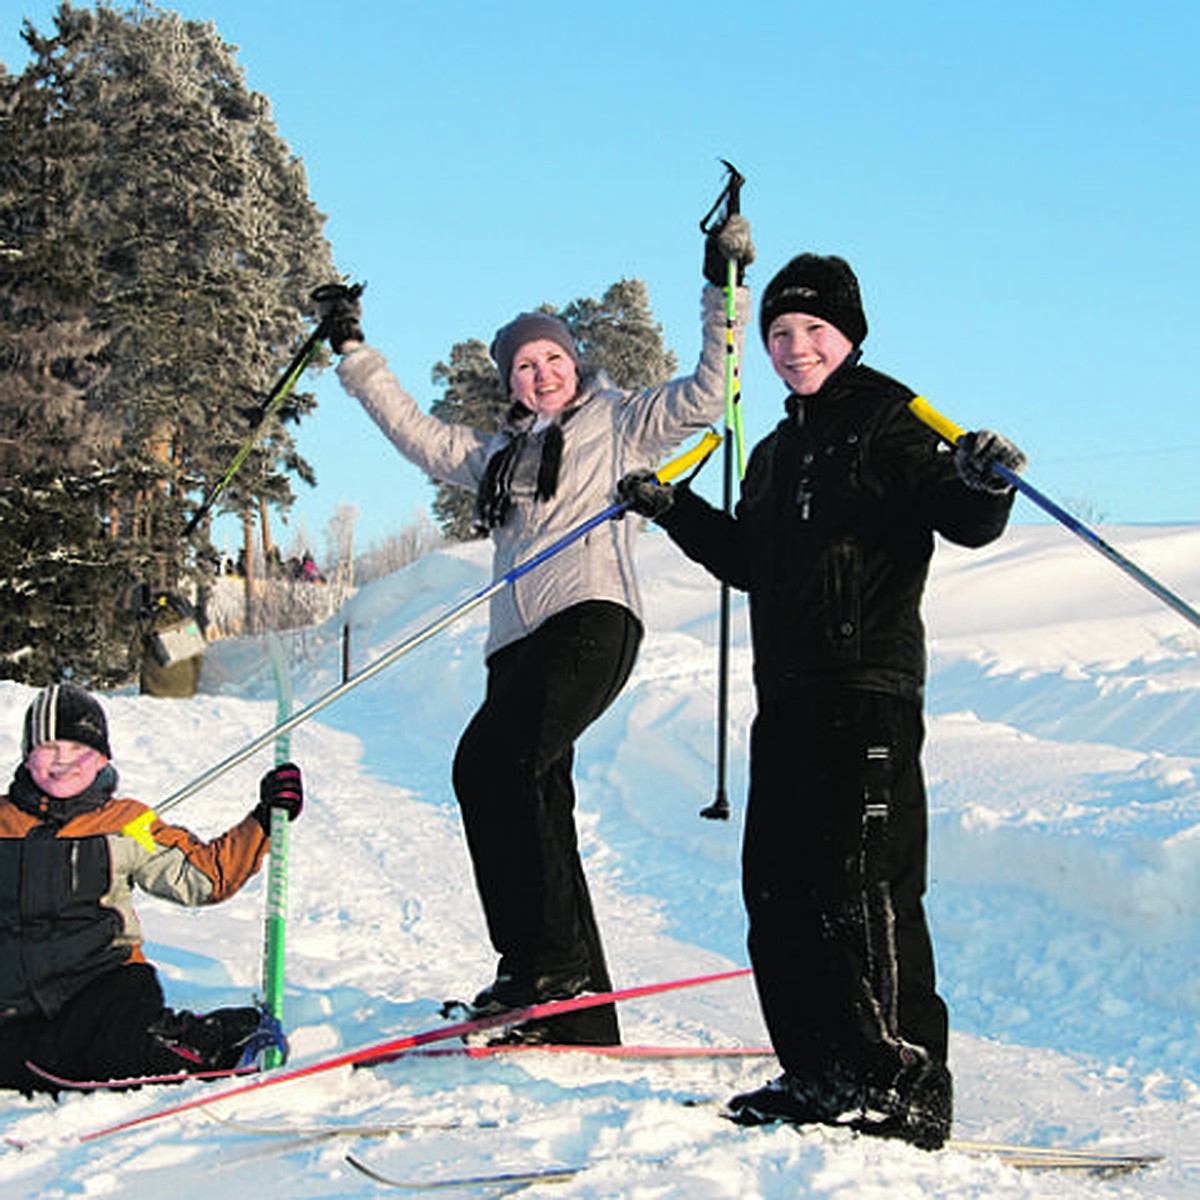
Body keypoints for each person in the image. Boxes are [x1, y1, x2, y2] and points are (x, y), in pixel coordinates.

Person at [314, 217, 754, 1045]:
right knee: (536, 802)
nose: (542, 374)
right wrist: (352, 352)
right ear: (511, 384)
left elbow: (708, 391)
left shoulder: (622, 420)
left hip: (592, 615)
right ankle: (579, 1011)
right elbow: (414, 432)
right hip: (515, 645)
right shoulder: (498, 457)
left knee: (490, 765)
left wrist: (719, 289)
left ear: (573, 364)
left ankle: (540, 967)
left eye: (553, 359)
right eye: (525, 366)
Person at [617, 253, 1025, 1146]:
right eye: (778, 334)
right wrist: (671, 508)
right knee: (782, 892)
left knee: (865, 892)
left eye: (812, 331)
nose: (794, 348)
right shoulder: (773, 451)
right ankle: (822, 1072)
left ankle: (905, 1085)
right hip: (789, 695)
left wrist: (985, 475)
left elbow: (967, 517)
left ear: (848, 334)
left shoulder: (891, 418)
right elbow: (752, 564)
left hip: (868, 690)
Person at [0, 682, 304, 1093]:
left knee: (121, 1045)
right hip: (16, 1004)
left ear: (102, 757)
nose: (63, 761)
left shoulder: (127, 824)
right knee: (35, 1063)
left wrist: (264, 820)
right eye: (49, 748)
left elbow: (203, 877)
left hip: (103, 987)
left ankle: (222, 1042)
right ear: (27, 754)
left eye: (79, 750)